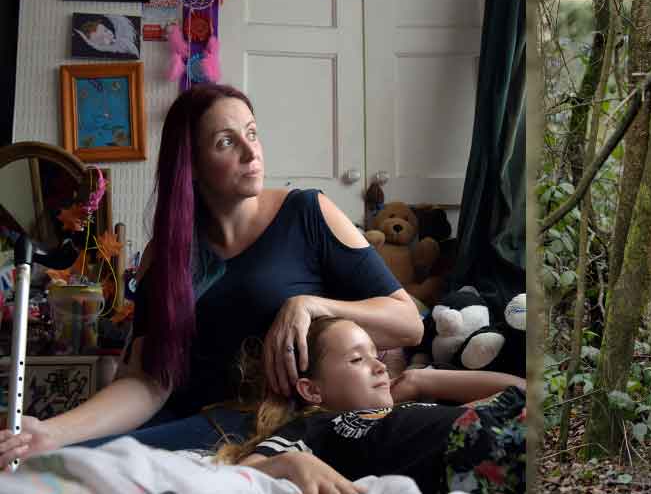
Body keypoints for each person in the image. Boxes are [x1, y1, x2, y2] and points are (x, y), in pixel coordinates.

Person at [0, 84, 423, 463]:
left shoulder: (309, 214)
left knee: (88, 469)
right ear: (194, 166)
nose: (250, 151)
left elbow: (408, 324)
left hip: (268, 424)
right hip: (186, 420)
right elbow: (149, 383)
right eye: (226, 142)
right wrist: (54, 432)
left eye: (252, 133)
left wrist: (308, 305)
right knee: (60, 461)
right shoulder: (164, 257)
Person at [217, 315, 526, 494]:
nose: (380, 367)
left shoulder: (404, 412)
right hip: (482, 452)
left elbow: (520, 389)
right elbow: (242, 475)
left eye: (376, 356)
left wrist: (420, 380)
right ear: (312, 390)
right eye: (356, 359)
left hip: (506, 428)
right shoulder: (315, 426)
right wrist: (289, 462)